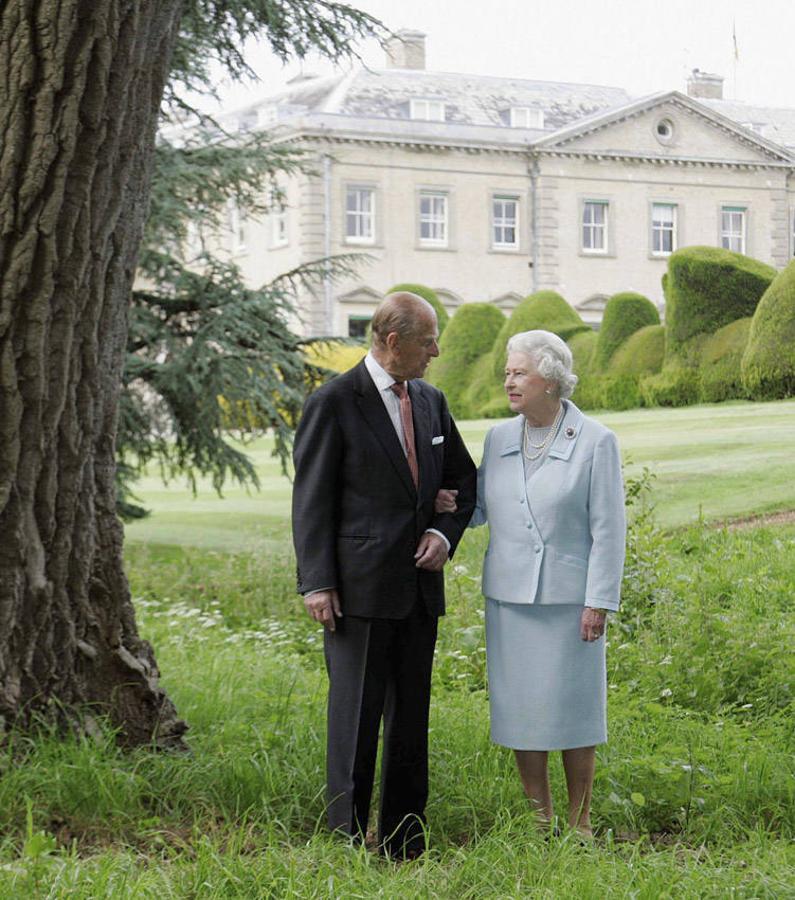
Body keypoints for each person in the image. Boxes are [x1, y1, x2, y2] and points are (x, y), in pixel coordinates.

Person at [291, 292, 476, 859]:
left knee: (409, 721)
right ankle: (345, 842)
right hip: (357, 593)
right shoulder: (334, 401)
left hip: (419, 591)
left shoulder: (430, 399)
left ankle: (404, 842)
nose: (437, 351)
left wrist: (442, 531)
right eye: (428, 341)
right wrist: (317, 582)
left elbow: (462, 484)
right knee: (355, 721)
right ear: (392, 342)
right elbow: (311, 500)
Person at [440, 329, 625, 837]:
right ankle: (538, 819)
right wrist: (444, 504)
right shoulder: (499, 438)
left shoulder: (596, 441)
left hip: (571, 602)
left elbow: (609, 529)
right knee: (522, 710)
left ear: (551, 379)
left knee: (574, 710)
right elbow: (480, 508)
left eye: (519, 372)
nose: (509, 381)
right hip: (510, 598)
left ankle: (580, 821)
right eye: (507, 372)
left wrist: (599, 601)